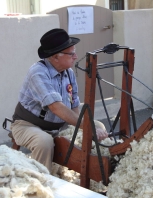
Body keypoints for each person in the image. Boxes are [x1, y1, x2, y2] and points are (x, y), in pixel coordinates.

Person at [11, 28, 108, 171]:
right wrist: (87, 127)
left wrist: (86, 127)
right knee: (44, 142)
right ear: (56, 57)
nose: (76, 56)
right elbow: (55, 107)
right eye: (71, 53)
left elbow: (74, 105)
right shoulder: (38, 73)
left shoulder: (68, 72)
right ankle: (42, 181)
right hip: (27, 125)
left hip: (58, 126)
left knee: (99, 126)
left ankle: (91, 171)